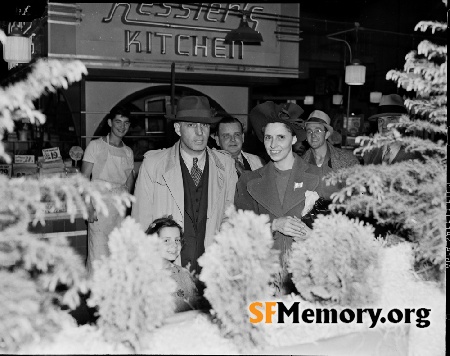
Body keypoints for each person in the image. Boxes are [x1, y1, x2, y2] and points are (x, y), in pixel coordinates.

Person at [131, 96, 238, 275]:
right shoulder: (154, 165)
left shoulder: (226, 165)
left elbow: (231, 214)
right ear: (177, 128)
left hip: (211, 267)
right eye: (191, 125)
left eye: (204, 125)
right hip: (168, 267)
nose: (199, 132)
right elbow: (141, 223)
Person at [234, 101, 323, 294]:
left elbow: (338, 236)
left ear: (293, 139)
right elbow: (240, 233)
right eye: (268, 138)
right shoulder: (249, 181)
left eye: (280, 137)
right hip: (264, 279)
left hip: (307, 278)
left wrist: (312, 236)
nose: (273, 145)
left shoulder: (321, 178)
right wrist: (274, 225)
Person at [81, 106, 135, 276]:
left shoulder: (128, 152)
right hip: (99, 204)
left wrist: (128, 208)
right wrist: (88, 206)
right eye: (118, 121)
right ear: (110, 123)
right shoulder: (95, 146)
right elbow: (83, 179)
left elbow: (129, 180)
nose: (122, 126)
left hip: (118, 207)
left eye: (126, 123)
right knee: (98, 250)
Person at [302, 110, 360, 199]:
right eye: (309, 131)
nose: (313, 135)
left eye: (318, 130)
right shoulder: (299, 164)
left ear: (327, 134)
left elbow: (360, 192)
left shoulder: (347, 161)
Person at [146, 216, 199, 313]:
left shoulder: (184, 274)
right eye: (166, 240)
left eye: (177, 240)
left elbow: (195, 306)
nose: (174, 245)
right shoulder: (145, 277)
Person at [364, 94, 420, 165]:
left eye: (390, 120)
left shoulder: (414, 155)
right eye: (381, 121)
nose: (384, 125)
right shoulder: (372, 152)